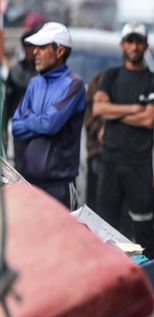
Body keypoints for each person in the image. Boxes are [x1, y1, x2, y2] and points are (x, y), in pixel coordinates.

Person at [93, 22, 154, 260]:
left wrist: (114, 113)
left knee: (142, 228)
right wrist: (134, 108)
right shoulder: (111, 76)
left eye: (138, 41)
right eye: (129, 41)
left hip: (139, 165)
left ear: (145, 45)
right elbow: (98, 108)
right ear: (122, 44)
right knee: (107, 228)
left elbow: (148, 119)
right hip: (110, 162)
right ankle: (114, 275)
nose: (134, 46)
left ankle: (147, 276)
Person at [12, 22, 86, 210]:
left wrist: (28, 116)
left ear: (59, 51)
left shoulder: (74, 84)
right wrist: (39, 121)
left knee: (61, 240)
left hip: (59, 186)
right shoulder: (34, 83)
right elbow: (15, 128)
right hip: (29, 182)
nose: (34, 52)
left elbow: (50, 125)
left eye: (42, 47)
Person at [4, 30, 38, 170]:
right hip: (19, 125)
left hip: (39, 127)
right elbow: (8, 101)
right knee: (20, 166)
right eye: (27, 46)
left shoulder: (44, 71)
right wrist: (4, 128)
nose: (30, 51)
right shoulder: (15, 70)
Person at [83, 70, 106, 211]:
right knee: (95, 204)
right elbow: (89, 114)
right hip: (97, 151)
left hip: (123, 153)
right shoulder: (97, 81)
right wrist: (98, 130)